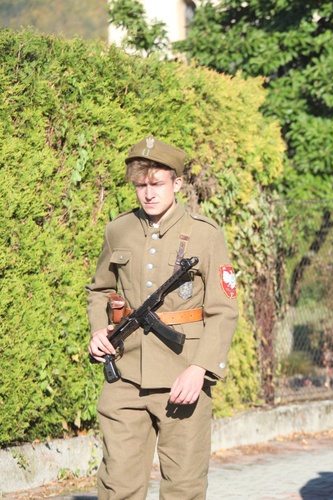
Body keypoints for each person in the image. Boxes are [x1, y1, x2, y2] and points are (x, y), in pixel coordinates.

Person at [86, 136, 239, 499]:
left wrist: (200, 369)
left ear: (178, 184)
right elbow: (99, 290)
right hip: (124, 376)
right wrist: (97, 330)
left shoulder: (206, 236)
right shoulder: (118, 230)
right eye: (141, 185)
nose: (148, 194)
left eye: (157, 184)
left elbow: (223, 310)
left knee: (183, 488)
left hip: (182, 377)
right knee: (117, 485)